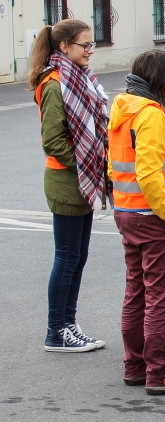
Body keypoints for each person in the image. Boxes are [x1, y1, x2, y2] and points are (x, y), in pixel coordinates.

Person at [108, 49, 165, 394]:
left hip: (127, 212)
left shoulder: (123, 109)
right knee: (162, 296)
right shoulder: (153, 115)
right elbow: (148, 174)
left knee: (137, 292)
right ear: (160, 79)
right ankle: (159, 374)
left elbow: (115, 166)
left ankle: (135, 364)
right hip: (155, 217)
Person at [29, 19, 109, 353]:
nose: (90, 50)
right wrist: (90, 163)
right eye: (85, 45)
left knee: (77, 257)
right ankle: (56, 331)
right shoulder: (54, 83)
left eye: (92, 44)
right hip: (67, 181)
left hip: (83, 179)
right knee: (66, 258)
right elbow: (53, 142)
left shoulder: (81, 78)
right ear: (64, 47)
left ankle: (69, 324)